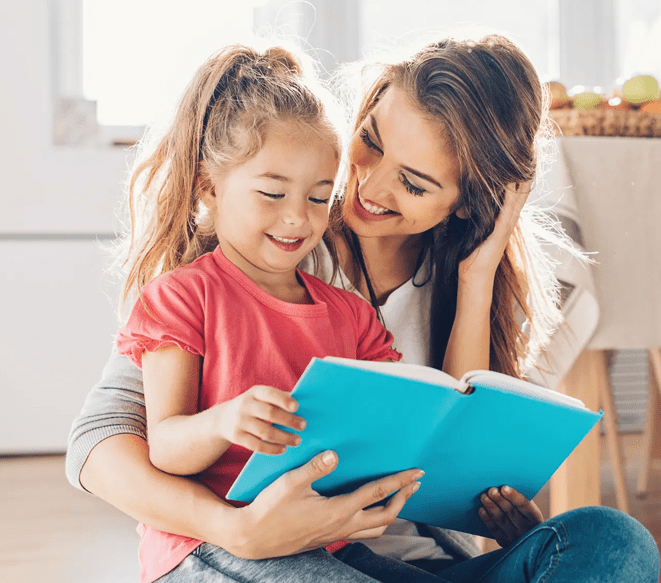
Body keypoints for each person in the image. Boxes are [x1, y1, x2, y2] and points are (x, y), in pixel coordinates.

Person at [66, 35, 660, 583]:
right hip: (259, 550)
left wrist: (477, 281)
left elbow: (439, 459)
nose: (369, 188)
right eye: (371, 141)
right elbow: (100, 443)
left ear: (464, 203)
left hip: (397, 561)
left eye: (415, 183)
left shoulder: (429, 291)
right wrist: (237, 529)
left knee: (615, 541)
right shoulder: (258, 246)